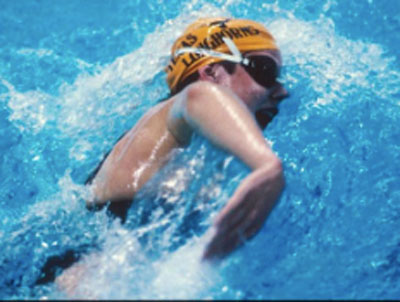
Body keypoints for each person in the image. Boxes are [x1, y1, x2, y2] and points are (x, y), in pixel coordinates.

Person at [38, 17, 289, 293]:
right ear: (212, 72)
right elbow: (201, 96)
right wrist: (266, 166)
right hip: (81, 275)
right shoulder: (185, 105)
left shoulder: (193, 150)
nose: (282, 91)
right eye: (265, 71)